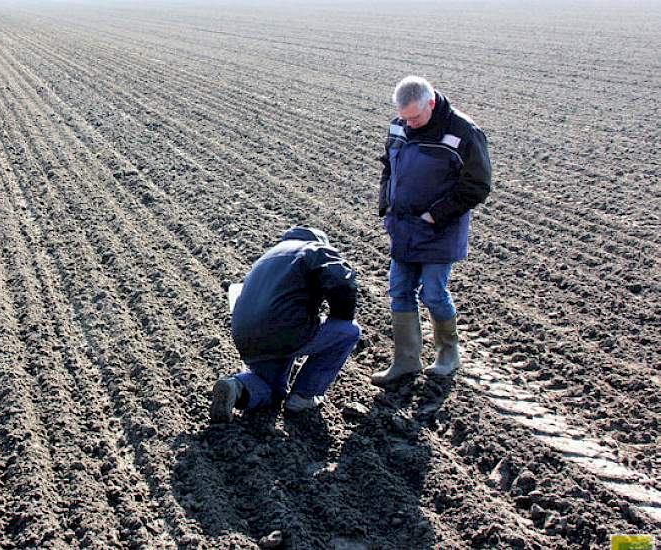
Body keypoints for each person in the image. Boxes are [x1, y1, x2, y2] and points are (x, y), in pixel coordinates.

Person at [372, 76, 492, 386]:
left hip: (439, 230)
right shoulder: (399, 126)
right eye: (404, 117)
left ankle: (448, 355)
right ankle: (406, 361)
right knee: (399, 291)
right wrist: (386, 203)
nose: (409, 124)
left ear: (432, 103)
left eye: (415, 116)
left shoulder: (463, 133)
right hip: (403, 227)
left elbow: (477, 185)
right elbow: (389, 168)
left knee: (433, 292)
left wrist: (434, 216)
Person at [210, 226, 361, 423]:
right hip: (285, 328)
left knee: (271, 388)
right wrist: (340, 315)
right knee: (348, 331)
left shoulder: (264, 259)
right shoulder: (313, 249)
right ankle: (304, 397)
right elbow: (341, 282)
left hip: (246, 335)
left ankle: (236, 387)